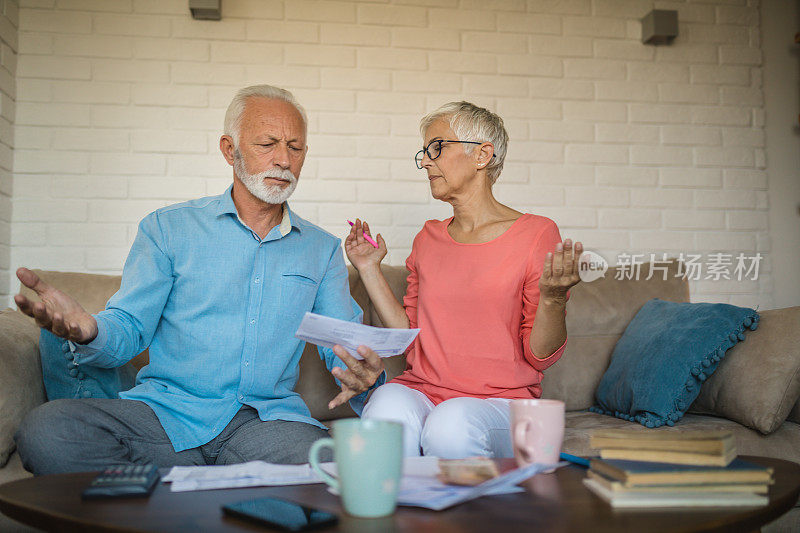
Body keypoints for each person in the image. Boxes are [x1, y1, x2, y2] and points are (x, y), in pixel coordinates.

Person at [13, 85, 385, 475]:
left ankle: (172, 495)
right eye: (267, 144)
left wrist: (361, 368)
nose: (283, 159)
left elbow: (341, 340)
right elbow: (129, 327)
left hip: (265, 424)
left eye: (295, 147)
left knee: (331, 466)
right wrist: (89, 329)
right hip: (165, 416)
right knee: (47, 431)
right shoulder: (167, 228)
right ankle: (221, 495)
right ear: (229, 149)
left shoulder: (322, 249)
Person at [346, 101, 582, 458]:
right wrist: (368, 268)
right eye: (424, 152)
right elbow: (409, 337)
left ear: (482, 155)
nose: (425, 161)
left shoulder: (536, 234)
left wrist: (552, 299)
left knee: (451, 424)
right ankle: (400, 512)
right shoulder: (428, 238)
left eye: (437, 148)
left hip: (503, 403)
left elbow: (540, 357)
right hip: (424, 390)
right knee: (384, 408)